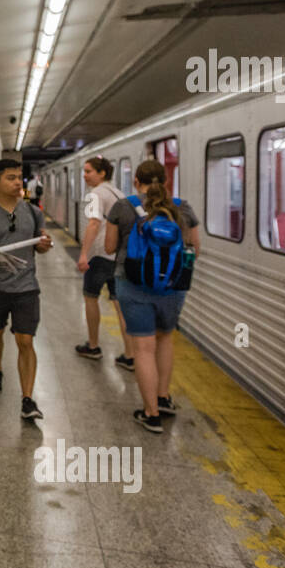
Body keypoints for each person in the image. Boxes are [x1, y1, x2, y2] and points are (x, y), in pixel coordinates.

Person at [105, 159, 200, 434]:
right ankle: (163, 397)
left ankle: (151, 413)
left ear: (136, 181)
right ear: (166, 182)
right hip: (173, 286)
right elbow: (195, 249)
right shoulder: (183, 208)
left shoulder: (122, 207)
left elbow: (110, 248)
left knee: (143, 347)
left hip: (132, 284)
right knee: (165, 338)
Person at [0, 159, 54, 419]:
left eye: (19, 177)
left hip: (26, 287)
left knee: (25, 340)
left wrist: (44, 245)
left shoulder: (33, 212)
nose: (18, 182)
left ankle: (27, 399)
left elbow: (41, 243)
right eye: (10, 178)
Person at [74, 157, 134, 367]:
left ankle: (93, 346)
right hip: (118, 256)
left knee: (90, 298)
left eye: (89, 171)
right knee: (120, 304)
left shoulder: (95, 194)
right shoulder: (119, 193)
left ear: (101, 173)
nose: (85, 175)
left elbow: (93, 224)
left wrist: (83, 254)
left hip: (99, 255)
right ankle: (130, 354)